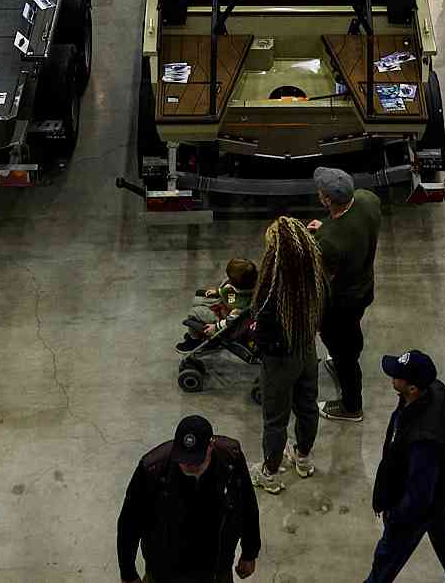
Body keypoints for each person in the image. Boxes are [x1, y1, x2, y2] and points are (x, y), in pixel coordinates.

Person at [115, 414, 262, 583]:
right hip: (165, 572)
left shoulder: (230, 460)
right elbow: (129, 523)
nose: (189, 466)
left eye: (196, 461)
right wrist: (128, 573)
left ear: (211, 446)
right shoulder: (152, 469)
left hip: (216, 569)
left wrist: (250, 552)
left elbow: (247, 504)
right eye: (183, 459)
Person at [364, 351, 445, 583]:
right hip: (437, 497)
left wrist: (395, 516)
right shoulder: (435, 389)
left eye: (398, 375)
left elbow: (419, 496)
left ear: (412, 388)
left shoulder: (423, 440)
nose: (392, 376)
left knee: (386, 560)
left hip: (413, 511)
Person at [248, 216, 323, 494]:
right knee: (307, 407)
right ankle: (303, 457)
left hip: (280, 361)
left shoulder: (270, 291)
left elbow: (260, 329)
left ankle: (269, 472)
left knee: (275, 420)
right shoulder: (313, 279)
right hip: (307, 349)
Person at [310, 166, 382, 424]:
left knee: (343, 350)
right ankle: (344, 356)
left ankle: (351, 407)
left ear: (327, 200)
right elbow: (352, 228)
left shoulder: (330, 242)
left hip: (340, 303)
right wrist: (327, 227)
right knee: (351, 333)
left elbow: (323, 279)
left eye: (321, 192)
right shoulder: (367, 199)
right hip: (363, 288)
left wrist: (320, 239)